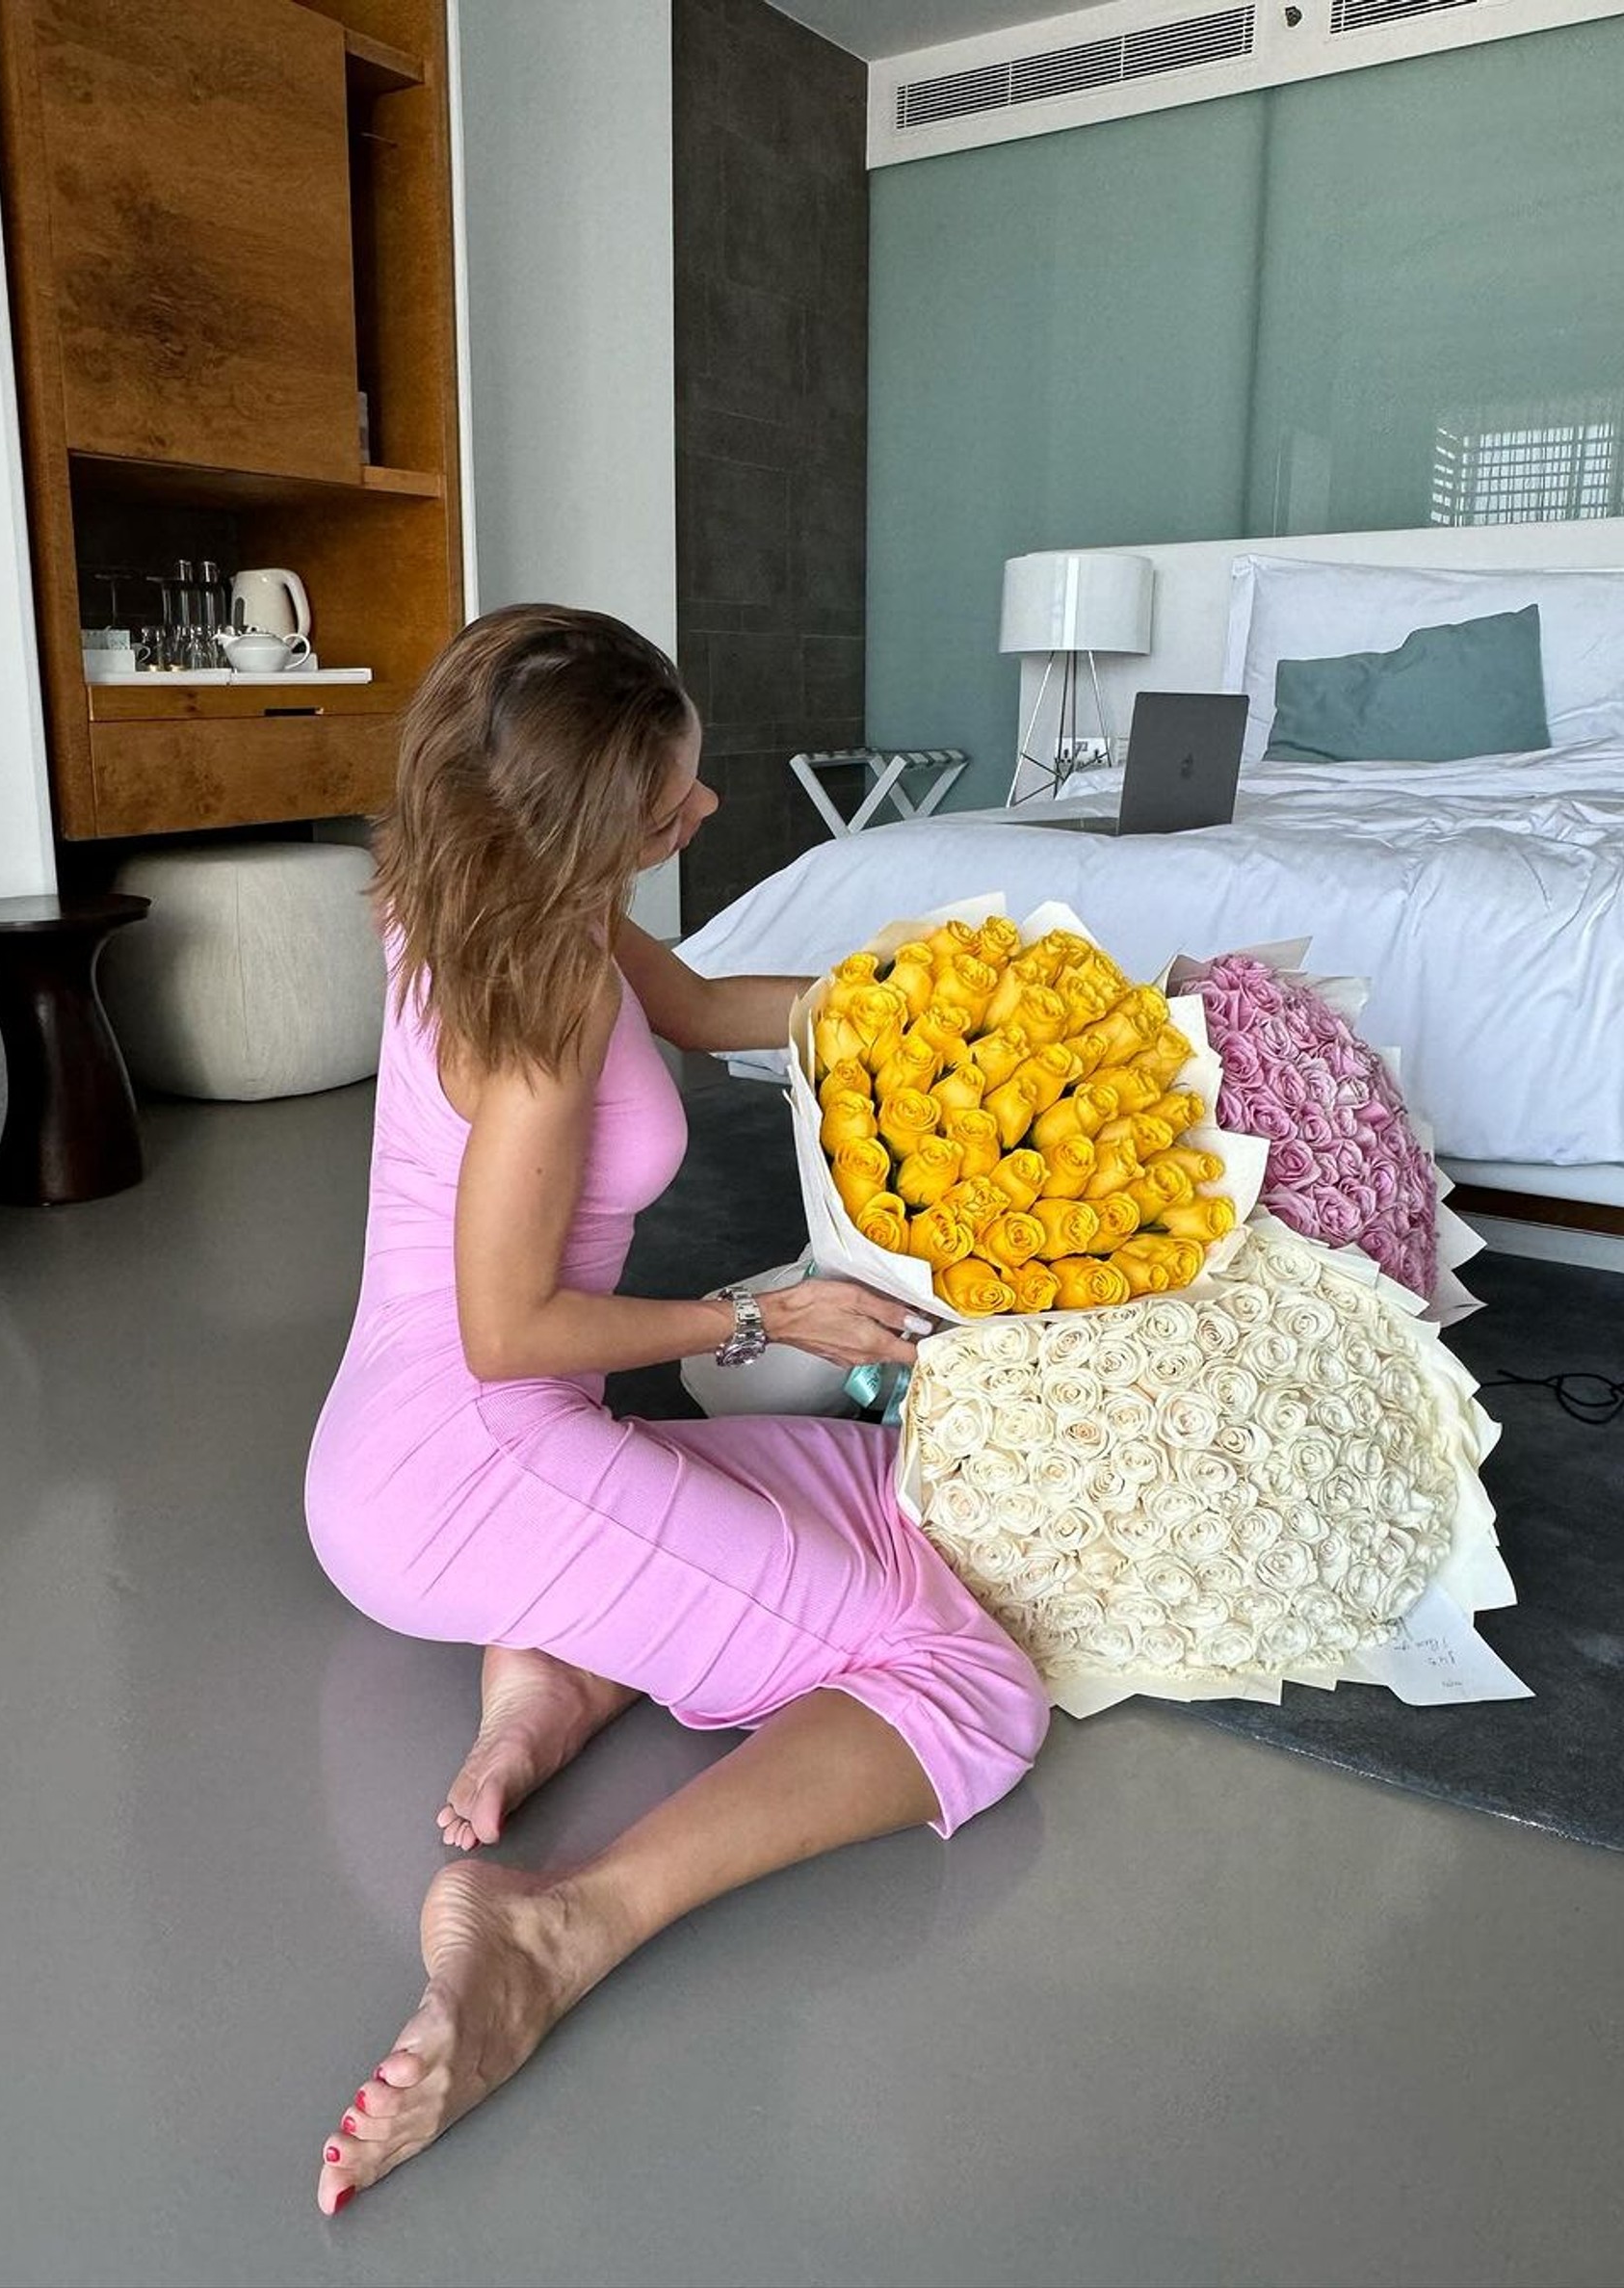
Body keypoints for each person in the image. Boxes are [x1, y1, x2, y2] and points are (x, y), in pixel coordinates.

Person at [303, 605, 1049, 2214]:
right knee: (970, 1684)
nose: (703, 811)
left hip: (422, 1437)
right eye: (669, 802)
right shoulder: (548, 1005)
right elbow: (509, 1332)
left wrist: (938, 1002)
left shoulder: (482, 895)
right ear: (574, 822)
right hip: (473, 1462)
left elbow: (704, 1009)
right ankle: (563, 1926)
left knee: (873, 1482)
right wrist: (764, 1314)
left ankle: (551, 1684)